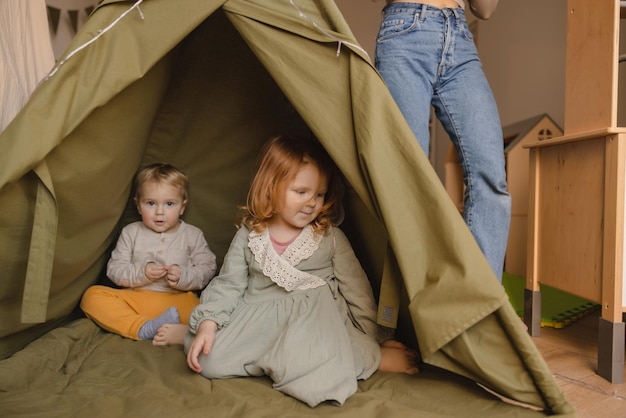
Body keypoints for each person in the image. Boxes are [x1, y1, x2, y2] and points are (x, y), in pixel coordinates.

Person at [184, 135, 418, 407]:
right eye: (301, 192)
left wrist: (374, 339)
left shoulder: (329, 237)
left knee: (322, 370)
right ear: (270, 188)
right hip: (261, 320)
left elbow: (358, 293)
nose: (311, 203)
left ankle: (367, 357)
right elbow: (229, 285)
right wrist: (209, 325)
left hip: (314, 324)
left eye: (319, 194)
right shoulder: (250, 234)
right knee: (206, 359)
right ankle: (274, 358)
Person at [374, 0, 511, 282]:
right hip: (404, 30)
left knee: (490, 176)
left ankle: (482, 306)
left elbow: (484, 10)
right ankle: (419, 305)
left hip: (460, 39)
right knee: (410, 177)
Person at [81, 162, 217, 346]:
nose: (159, 212)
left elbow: (208, 268)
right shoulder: (131, 232)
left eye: (169, 204)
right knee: (91, 297)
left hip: (179, 301)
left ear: (182, 206)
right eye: (151, 203)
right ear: (138, 205)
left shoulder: (192, 234)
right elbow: (115, 270)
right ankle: (143, 327)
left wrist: (183, 276)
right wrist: (142, 273)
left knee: (212, 314)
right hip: (136, 299)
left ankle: (181, 331)